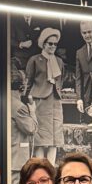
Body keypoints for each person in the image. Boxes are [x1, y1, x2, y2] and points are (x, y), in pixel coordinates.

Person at [25, 28, 64, 164]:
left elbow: (60, 81)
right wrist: (29, 101)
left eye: (55, 44)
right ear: (43, 44)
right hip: (40, 101)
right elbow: (28, 82)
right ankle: (41, 166)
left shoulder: (59, 61)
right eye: (50, 43)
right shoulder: (34, 60)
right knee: (40, 138)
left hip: (55, 102)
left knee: (55, 138)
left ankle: (51, 167)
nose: (53, 46)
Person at [10, 73, 38, 184]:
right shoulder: (19, 107)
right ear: (22, 87)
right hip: (17, 160)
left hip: (12, 157)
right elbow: (31, 128)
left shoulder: (8, 102)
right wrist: (32, 111)